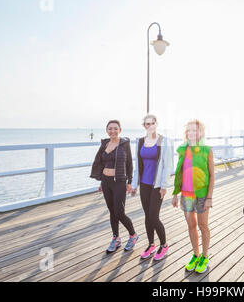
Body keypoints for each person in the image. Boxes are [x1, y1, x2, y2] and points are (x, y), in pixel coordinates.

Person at [172, 119, 215, 273]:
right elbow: (179, 172)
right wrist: (175, 193)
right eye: (188, 130)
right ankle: (195, 255)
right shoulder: (183, 150)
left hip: (202, 195)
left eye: (194, 130)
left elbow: (212, 175)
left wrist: (209, 197)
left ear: (201, 132)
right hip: (186, 195)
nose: (191, 133)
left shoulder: (207, 150)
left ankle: (205, 256)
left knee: (203, 226)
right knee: (191, 226)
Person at [90, 120, 138, 253]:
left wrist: (130, 182)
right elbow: (100, 163)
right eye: (110, 128)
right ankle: (116, 238)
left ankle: (133, 235)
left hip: (119, 182)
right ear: (107, 130)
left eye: (115, 129)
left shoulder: (124, 144)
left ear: (120, 130)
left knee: (119, 212)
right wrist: (101, 181)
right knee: (112, 211)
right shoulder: (104, 144)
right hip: (106, 182)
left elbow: (129, 164)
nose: (113, 131)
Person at [131, 114, 173, 260]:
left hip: (157, 186)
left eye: (152, 123)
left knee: (154, 216)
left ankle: (164, 245)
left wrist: (164, 186)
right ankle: (151, 244)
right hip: (144, 184)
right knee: (148, 217)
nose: (150, 126)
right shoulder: (140, 141)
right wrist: (134, 184)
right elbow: (138, 165)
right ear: (144, 126)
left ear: (156, 124)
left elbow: (168, 166)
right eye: (147, 124)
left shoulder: (164, 141)